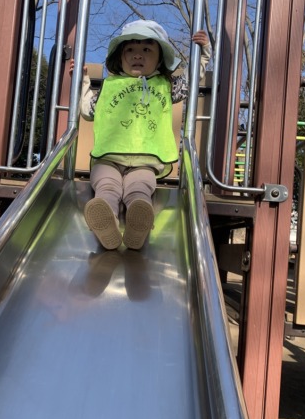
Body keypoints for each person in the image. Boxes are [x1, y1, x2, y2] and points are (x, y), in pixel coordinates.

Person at [72, 20, 211, 250]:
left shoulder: (166, 85)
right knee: (106, 185)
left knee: (140, 187)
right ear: (120, 57)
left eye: (146, 49)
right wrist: (82, 81)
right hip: (109, 157)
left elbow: (190, 80)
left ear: (160, 59)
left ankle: (139, 220)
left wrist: (203, 54)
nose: (137, 55)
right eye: (130, 49)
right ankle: (105, 220)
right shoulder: (110, 85)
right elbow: (88, 110)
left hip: (146, 160)